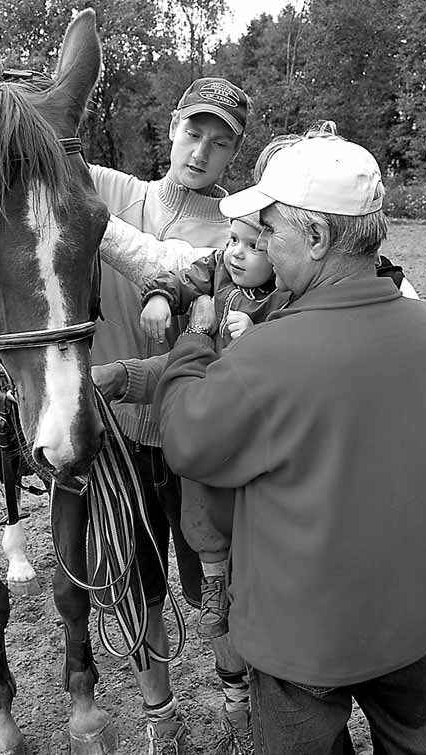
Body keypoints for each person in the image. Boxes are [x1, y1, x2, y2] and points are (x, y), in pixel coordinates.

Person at [152, 133, 426, 754]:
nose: (260, 244)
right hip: (404, 626)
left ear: (316, 239)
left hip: (301, 643)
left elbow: (187, 440)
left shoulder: (270, 354)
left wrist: (194, 340)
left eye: (270, 231)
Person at [89, 77, 254, 754]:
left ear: (231, 158)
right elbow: (29, 151)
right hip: (115, 434)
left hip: (192, 437)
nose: (200, 153)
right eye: (194, 133)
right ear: (171, 126)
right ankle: (159, 710)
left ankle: (235, 695)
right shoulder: (108, 189)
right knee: (135, 580)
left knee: (218, 584)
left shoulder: (235, 235)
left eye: (219, 145)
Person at [138, 212, 290, 640]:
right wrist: (162, 298)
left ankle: (250, 583)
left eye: (253, 245)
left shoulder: (283, 294)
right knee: (198, 491)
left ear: (278, 252)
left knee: (249, 504)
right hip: (216, 404)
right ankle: (213, 585)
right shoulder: (219, 268)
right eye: (233, 239)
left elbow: (292, 340)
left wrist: (256, 330)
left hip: (253, 411)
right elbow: (180, 278)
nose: (237, 252)